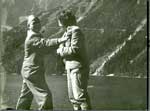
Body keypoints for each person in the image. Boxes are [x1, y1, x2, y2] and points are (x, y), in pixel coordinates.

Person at [16, 15, 68, 110]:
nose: (37, 24)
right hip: (32, 72)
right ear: (28, 26)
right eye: (34, 22)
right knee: (45, 96)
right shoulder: (32, 38)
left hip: (28, 71)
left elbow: (44, 48)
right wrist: (61, 40)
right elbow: (45, 43)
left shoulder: (34, 36)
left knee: (26, 96)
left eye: (38, 22)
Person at [56, 10, 91, 110]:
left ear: (63, 21)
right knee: (73, 99)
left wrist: (60, 50)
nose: (58, 23)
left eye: (59, 20)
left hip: (77, 68)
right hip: (70, 67)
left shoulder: (76, 30)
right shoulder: (67, 32)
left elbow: (74, 49)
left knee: (80, 97)